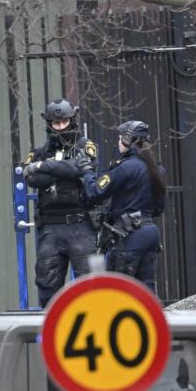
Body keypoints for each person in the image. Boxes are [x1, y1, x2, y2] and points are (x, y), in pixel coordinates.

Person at [21, 98, 99, 307]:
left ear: (71, 121)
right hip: (51, 228)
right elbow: (31, 179)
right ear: (49, 124)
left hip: (80, 225)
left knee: (89, 288)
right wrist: (65, 169)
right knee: (48, 286)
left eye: (64, 122)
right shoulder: (38, 151)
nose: (60, 127)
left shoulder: (85, 146)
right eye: (56, 123)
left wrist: (44, 166)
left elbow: (80, 168)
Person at [81, 120, 166, 293]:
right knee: (146, 291)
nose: (118, 142)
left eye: (120, 138)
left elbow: (95, 191)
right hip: (150, 232)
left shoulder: (126, 167)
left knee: (118, 290)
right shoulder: (155, 168)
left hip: (129, 235)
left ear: (128, 140)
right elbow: (159, 207)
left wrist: (87, 170)